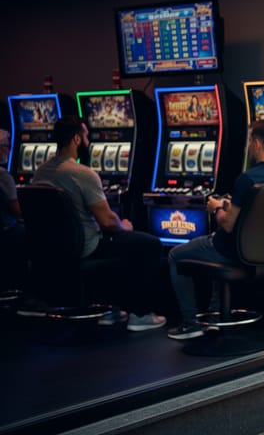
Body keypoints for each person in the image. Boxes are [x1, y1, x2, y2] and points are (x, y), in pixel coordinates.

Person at [30, 116, 167, 330]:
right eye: (86, 136)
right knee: (149, 244)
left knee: (121, 244)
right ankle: (140, 314)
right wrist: (125, 226)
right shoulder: (82, 173)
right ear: (76, 139)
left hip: (54, 249)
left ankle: (110, 309)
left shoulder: (41, 171)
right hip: (86, 247)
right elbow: (108, 222)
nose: (88, 141)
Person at [167, 119, 264, 340]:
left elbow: (227, 224)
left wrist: (216, 208)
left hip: (233, 252)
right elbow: (253, 213)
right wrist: (229, 205)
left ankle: (190, 324)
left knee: (175, 254)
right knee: (218, 249)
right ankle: (216, 316)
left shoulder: (247, 178)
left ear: (255, 143)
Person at [0, 129, 28, 286]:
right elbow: (17, 212)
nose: (9, 150)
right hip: (7, 231)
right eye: (6, 146)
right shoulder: (3, 176)